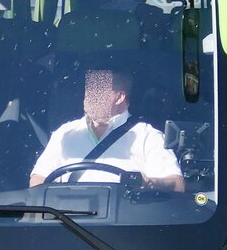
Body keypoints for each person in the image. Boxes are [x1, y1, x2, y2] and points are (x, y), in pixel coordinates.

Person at [29, 68, 184, 191]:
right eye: (88, 90)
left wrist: (148, 183)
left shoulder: (148, 136)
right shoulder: (65, 133)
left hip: (125, 226)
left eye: (97, 92)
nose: (88, 97)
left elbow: (177, 185)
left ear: (120, 97)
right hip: (66, 222)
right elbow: (38, 180)